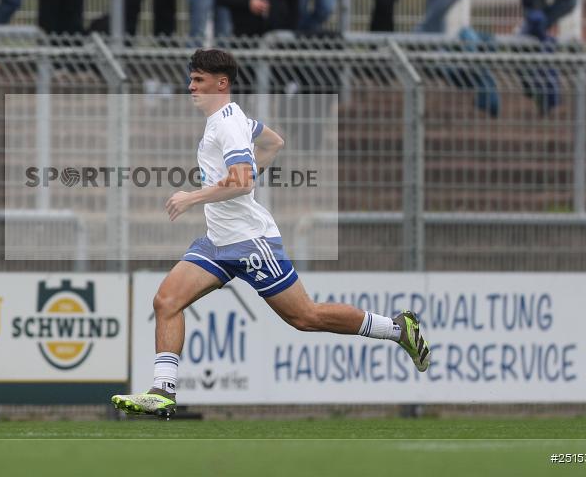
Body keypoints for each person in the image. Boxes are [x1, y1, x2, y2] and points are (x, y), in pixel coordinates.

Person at [110, 48, 431, 417]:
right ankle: (163, 391)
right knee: (166, 302)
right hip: (218, 242)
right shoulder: (232, 119)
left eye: (198, 80)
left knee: (305, 317)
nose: (190, 87)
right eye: (191, 79)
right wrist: (232, 181)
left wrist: (193, 197)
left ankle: (396, 329)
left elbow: (243, 183)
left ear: (221, 83)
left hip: (249, 242)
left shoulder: (228, 125)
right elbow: (274, 142)